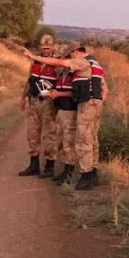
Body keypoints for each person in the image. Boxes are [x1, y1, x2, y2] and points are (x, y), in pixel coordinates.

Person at [24, 42, 108, 190]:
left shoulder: (83, 62)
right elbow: (104, 88)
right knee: (89, 139)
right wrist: (99, 101)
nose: (69, 59)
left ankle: (86, 176)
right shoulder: (93, 64)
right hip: (89, 104)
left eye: (70, 56)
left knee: (83, 139)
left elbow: (59, 62)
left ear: (75, 52)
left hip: (85, 105)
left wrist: (32, 56)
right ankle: (90, 174)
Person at [18, 34, 58, 177]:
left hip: (48, 104)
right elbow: (30, 80)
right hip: (34, 102)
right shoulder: (35, 62)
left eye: (48, 47)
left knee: (49, 135)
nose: (45, 50)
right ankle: (34, 165)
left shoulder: (57, 62)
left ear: (53, 47)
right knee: (32, 134)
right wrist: (23, 98)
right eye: (43, 47)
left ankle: (49, 166)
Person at [48, 56, 78, 185]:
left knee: (69, 143)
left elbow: (76, 92)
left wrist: (59, 94)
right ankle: (64, 172)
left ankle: (69, 175)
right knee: (60, 142)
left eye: (65, 57)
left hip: (71, 111)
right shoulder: (61, 73)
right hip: (60, 110)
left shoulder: (75, 73)